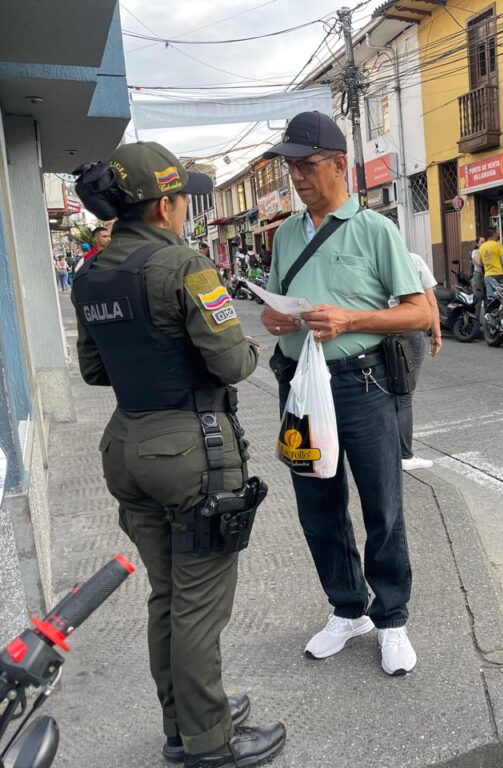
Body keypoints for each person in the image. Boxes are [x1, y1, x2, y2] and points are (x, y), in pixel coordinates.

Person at [70, 141, 285, 767]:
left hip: (127, 445)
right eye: (183, 199)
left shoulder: (92, 274)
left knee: (168, 594)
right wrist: (242, 345)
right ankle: (209, 742)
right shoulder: (184, 267)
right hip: (191, 451)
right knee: (198, 604)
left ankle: (185, 721)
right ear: (166, 204)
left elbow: (91, 369)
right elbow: (231, 362)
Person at [258, 111, 430, 675]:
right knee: (317, 505)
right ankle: (347, 607)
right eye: (291, 167)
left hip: (362, 382)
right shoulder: (285, 234)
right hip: (300, 386)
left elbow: (419, 311)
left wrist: (351, 319)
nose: (297, 177)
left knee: (382, 504)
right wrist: (274, 319)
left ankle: (393, 618)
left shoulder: (375, 229)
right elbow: (277, 302)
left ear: (338, 165)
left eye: (307, 165)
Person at [398, 252, 442, 471]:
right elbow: (430, 301)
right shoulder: (413, 260)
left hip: (378, 331)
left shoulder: (372, 260)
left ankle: (386, 451)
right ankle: (405, 455)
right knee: (404, 396)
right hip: (410, 332)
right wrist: (436, 334)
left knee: (382, 394)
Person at [478, 226, 503, 299]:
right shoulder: (498, 245)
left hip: (487, 276)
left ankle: (493, 310)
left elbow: (480, 263)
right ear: (494, 234)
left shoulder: (482, 247)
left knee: (491, 298)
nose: (498, 234)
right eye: (497, 232)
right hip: (498, 275)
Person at [470, 234, 486, 302]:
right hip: (478, 275)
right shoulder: (475, 252)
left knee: (487, 297)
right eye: (482, 242)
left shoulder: (487, 250)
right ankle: (477, 312)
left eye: (485, 242)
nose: (484, 244)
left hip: (487, 274)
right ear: (477, 244)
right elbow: (479, 263)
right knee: (478, 297)